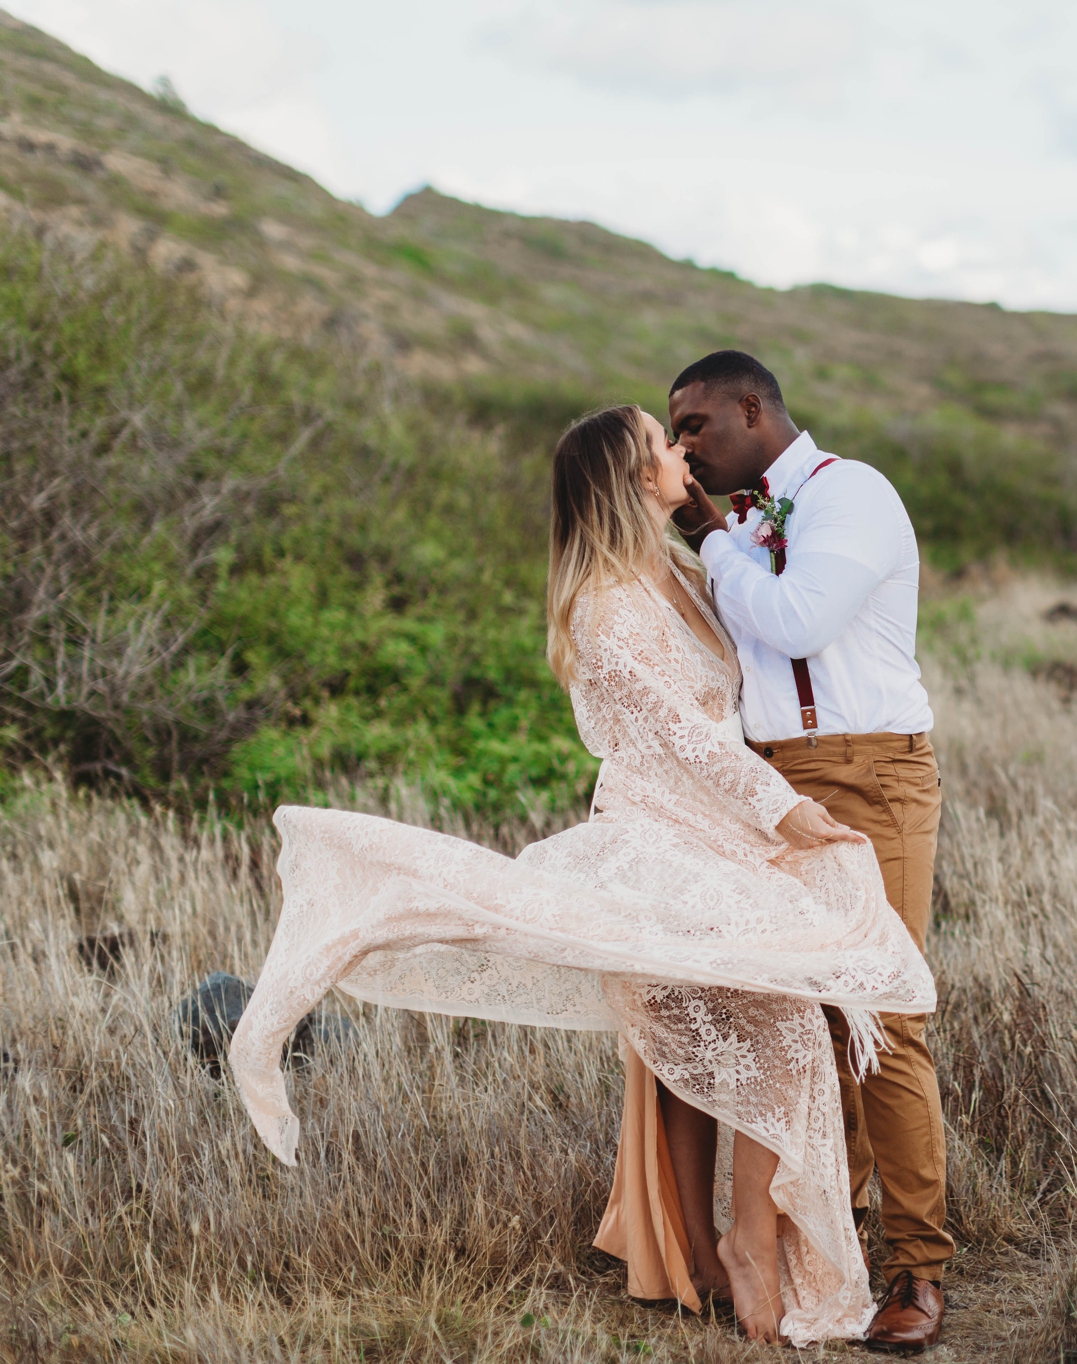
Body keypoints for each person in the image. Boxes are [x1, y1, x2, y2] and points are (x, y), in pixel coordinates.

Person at [227, 404, 933, 1348]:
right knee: (759, 1015)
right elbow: (676, 734)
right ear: (635, 477)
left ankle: (727, 1245)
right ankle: (740, 1246)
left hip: (717, 826)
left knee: (730, 1025)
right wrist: (786, 809)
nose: (682, 453)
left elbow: (749, 668)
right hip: (657, 830)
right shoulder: (603, 600)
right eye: (664, 442)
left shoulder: (677, 571)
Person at [668, 350, 951, 1353]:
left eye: (695, 425)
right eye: (674, 434)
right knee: (811, 1022)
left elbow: (797, 619)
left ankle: (921, 1265)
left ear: (753, 407)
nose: (684, 446)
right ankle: (829, 1245)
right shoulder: (743, 527)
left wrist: (703, 528)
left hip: (870, 771)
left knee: (882, 1013)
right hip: (772, 783)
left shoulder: (850, 496)